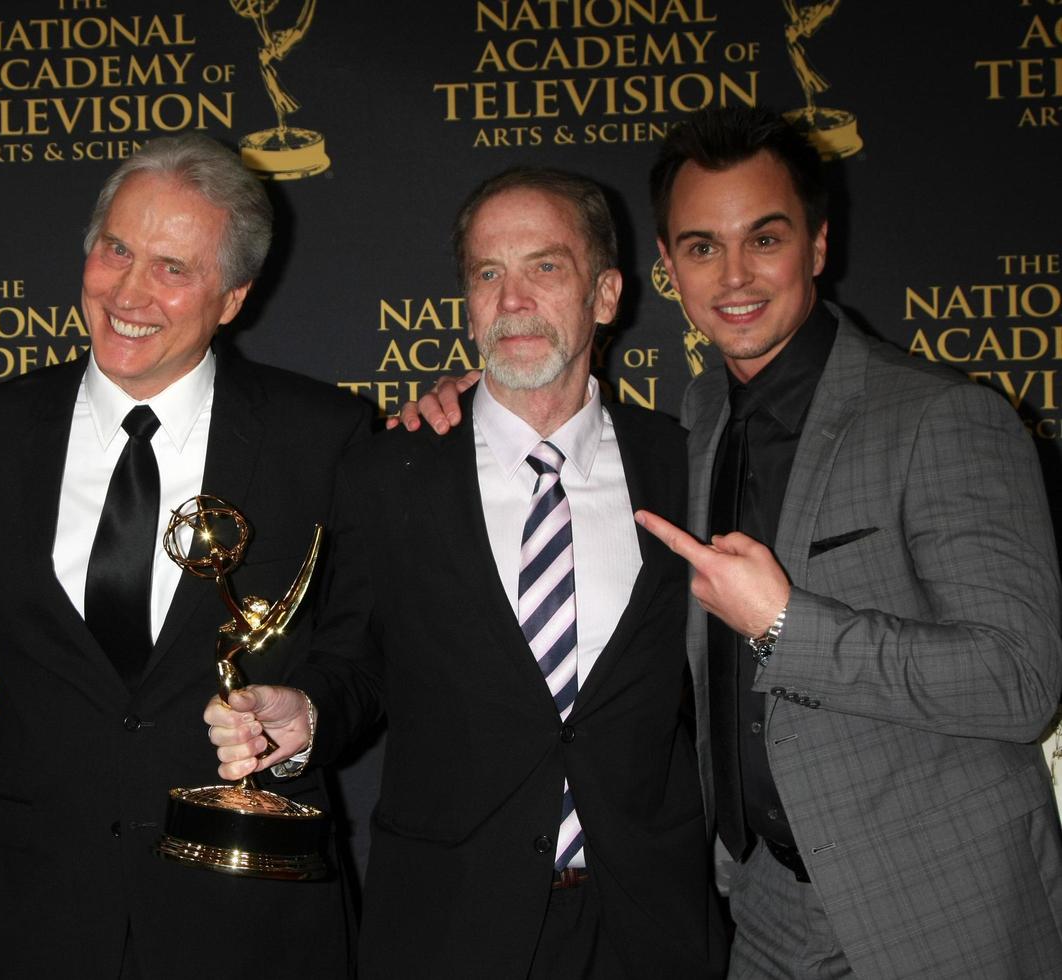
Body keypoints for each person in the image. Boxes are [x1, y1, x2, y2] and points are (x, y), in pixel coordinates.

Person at [401, 106, 1062, 978]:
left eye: (766, 238)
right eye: (703, 247)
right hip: (757, 913)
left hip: (931, 908)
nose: (736, 275)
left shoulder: (943, 417)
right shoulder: (693, 425)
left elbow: (1018, 683)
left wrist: (790, 625)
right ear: (667, 268)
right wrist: (470, 400)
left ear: (818, 247)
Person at [206, 168, 727, 978]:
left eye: (545, 267)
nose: (512, 299)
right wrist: (305, 711)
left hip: (646, 929)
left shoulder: (684, 464)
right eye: (488, 273)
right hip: (446, 927)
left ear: (606, 293)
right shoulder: (390, 470)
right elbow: (357, 666)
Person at [0, 134, 369, 978]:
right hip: (37, 920)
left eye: (175, 268)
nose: (130, 292)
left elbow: (370, 652)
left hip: (250, 919)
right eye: (117, 250)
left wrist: (308, 714)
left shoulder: (323, 438)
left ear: (233, 297)